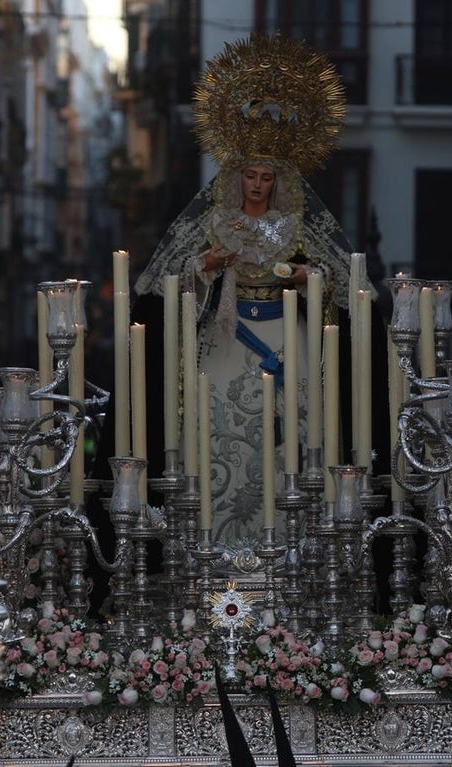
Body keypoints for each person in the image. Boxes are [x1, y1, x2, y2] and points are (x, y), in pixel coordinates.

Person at [134, 36, 368, 545]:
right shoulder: (216, 220)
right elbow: (171, 283)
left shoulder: (295, 227)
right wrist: (210, 263)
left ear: (278, 181)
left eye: (266, 177)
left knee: (294, 435)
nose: (257, 185)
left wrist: (306, 277)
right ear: (236, 177)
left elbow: (341, 284)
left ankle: (290, 546)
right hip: (226, 336)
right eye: (250, 175)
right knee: (218, 430)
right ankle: (217, 542)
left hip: (288, 337)